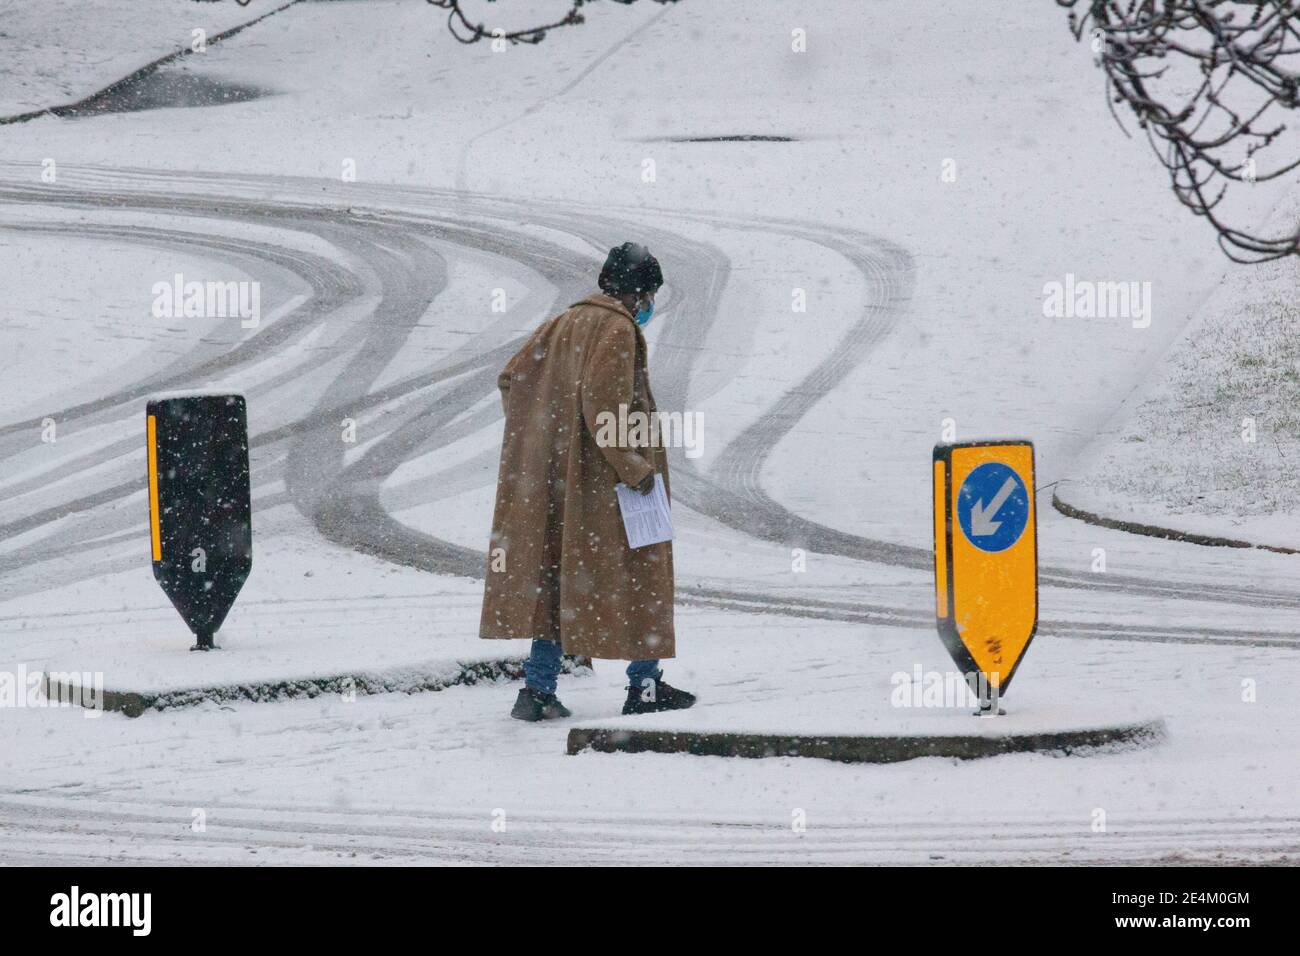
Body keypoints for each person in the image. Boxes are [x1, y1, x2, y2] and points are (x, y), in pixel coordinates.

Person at [480, 242, 696, 721]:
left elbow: (511, 380)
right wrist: (634, 467)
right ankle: (644, 686)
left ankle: (536, 691)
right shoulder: (617, 328)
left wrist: (544, 442)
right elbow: (605, 405)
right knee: (645, 575)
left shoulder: (565, 321)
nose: (649, 306)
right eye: (651, 295)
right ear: (638, 293)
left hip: (560, 484)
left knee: (557, 581)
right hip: (608, 484)